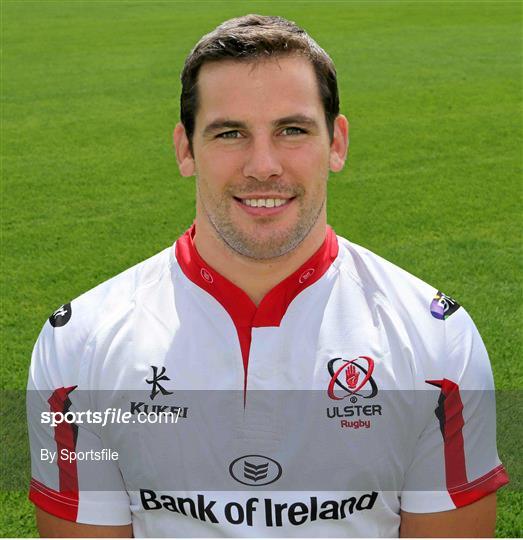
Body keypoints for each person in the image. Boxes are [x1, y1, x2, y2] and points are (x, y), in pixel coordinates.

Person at [27, 14, 508, 537]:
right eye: (230, 132)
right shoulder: (80, 347)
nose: (263, 165)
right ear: (186, 149)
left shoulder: (436, 341)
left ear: (337, 142)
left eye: (292, 130)